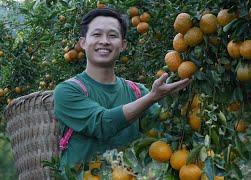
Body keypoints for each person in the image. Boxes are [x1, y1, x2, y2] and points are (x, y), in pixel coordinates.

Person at [53, 7, 190, 174]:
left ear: (123, 45)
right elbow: (102, 124)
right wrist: (152, 97)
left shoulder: (137, 91)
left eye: (112, 35)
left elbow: (166, 129)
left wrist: (183, 97)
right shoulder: (67, 91)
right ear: (83, 42)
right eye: (96, 35)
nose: (104, 41)